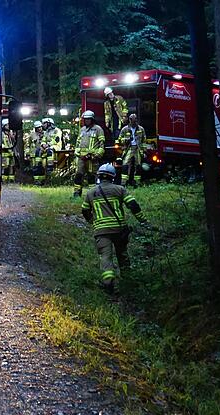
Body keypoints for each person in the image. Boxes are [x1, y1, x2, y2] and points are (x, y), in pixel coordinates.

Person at [81, 163, 149, 293]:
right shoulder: (120, 189)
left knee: (106, 258)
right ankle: (129, 282)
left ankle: (108, 284)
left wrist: (92, 221)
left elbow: (84, 210)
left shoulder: (91, 193)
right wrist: (143, 221)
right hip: (119, 230)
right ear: (113, 177)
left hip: (101, 231)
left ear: (99, 176)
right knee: (122, 255)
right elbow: (133, 205)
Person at [73, 110, 105, 197]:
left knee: (92, 176)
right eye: (85, 119)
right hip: (81, 158)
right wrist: (77, 152)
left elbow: (102, 145)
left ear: (92, 119)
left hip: (92, 158)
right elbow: (77, 143)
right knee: (78, 175)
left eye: (88, 119)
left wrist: (97, 155)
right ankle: (77, 193)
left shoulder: (98, 129)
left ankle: (93, 194)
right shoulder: (82, 130)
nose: (86, 121)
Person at [117, 113, 146, 187]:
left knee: (138, 166)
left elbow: (144, 141)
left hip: (137, 149)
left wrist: (144, 151)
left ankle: (137, 183)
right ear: (129, 120)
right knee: (125, 165)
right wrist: (126, 140)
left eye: (135, 120)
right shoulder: (125, 129)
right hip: (128, 149)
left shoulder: (141, 129)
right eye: (132, 120)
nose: (134, 122)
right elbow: (119, 139)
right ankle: (123, 183)